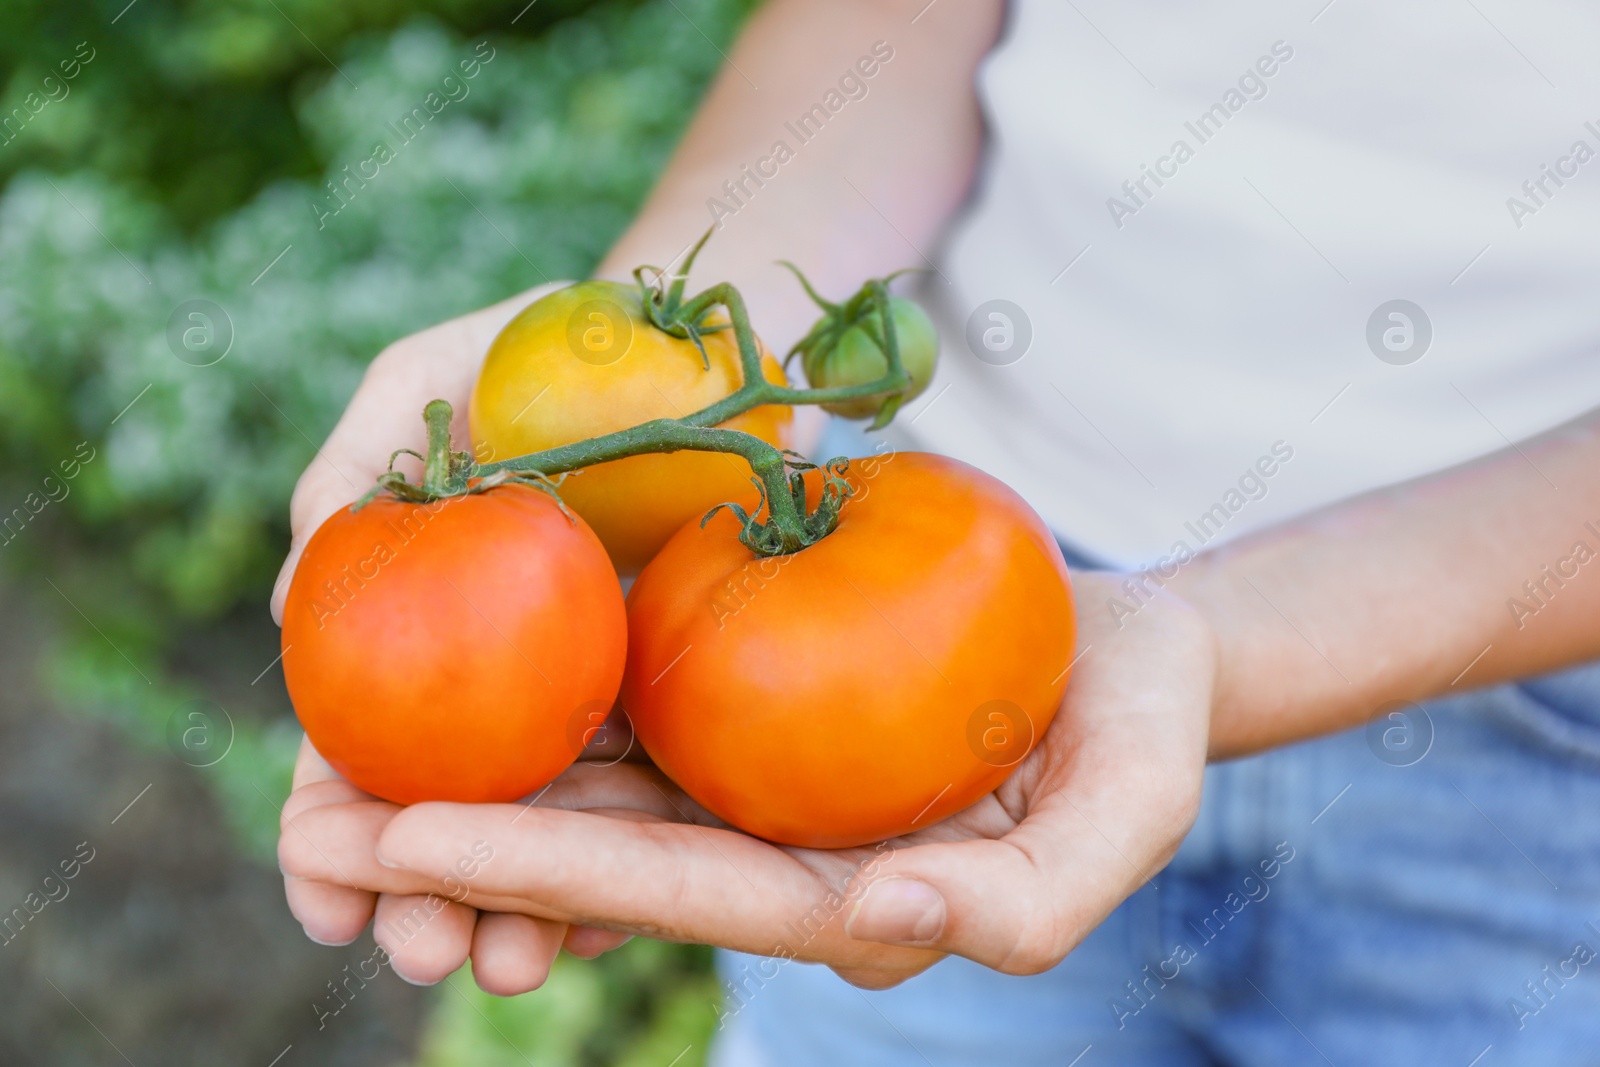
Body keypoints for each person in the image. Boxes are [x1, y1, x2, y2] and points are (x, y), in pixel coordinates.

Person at [273, 0, 1600, 1062]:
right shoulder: (718, 550)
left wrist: (1214, 641)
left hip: (1537, 777)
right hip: (926, 585)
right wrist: (655, 344)